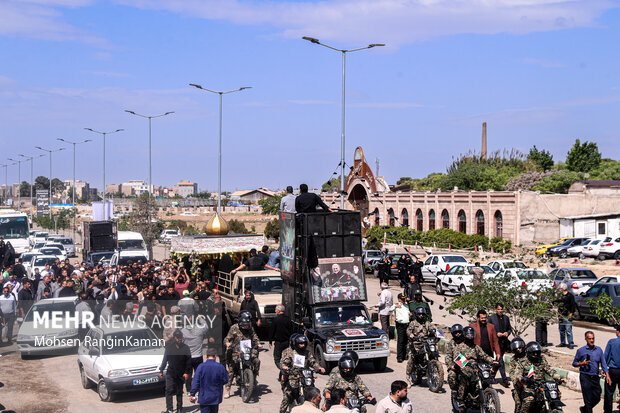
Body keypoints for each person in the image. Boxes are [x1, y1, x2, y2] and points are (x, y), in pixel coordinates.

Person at [454, 326, 496, 413]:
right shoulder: (459, 346)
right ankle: (461, 400)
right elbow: (457, 357)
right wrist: (465, 363)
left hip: (476, 367)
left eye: (471, 334)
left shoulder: (476, 347)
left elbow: (484, 355)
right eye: (468, 335)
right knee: (464, 378)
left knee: (485, 377)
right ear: (465, 335)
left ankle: (482, 395)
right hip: (464, 367)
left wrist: (492, 361)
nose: (470, 336)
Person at [280, 335, 325, 413]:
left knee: (314, 393)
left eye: (304, 343)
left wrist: (319, 368)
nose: (302, 345)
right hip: (293, 377)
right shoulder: (291, 353)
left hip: (305, 376)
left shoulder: (307, 353)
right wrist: (285, 367)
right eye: (300, 344)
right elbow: (284, 363)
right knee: (287, 395)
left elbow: (313, 362)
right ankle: (282, 411)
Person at [517, 341, 564, 413]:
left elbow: (549, 369)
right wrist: (522, 379)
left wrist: (558, 378)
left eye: (537, 352)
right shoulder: (522, 361)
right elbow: (518, 374)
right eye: (534, 353)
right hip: (528, 386)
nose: (536, 355)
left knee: (555, 395)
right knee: (529, 400)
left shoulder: (542, 359)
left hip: (542, 384)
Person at [224, 310, 261, 398]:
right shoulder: (234, 327)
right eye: (244, 325)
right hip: (236, 350)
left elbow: (255, 337)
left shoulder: (250, 328)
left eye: (247, 325)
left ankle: (254, 378)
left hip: (248, 350)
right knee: (231, 369)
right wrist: (228, 343)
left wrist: (258, 343)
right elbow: (227, 338)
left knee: (256, 361)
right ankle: (227, 388)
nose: (246, 326)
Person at [573, 331, 607, 413]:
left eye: (593, 338)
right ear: (586, 339)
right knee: (587, 399)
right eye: (589, 339)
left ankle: (584, 409)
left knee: (597, 397)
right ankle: (587, 409)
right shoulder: (581, 350)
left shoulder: (599, 350)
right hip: (585, 377)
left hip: (595, 377)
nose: (592, 340)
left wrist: (606, 372)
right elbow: (574, 363)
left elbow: (603, 362)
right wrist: (582, 363)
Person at [159, 329, 192, 413]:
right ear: (174, 338)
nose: (179, 339)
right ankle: (169, 409)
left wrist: (187, 372)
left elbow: (188, 362)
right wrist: (161, 370)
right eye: (177, 337)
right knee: (169, 390)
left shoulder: (185, 348)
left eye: (180, 337)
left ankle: (179, 408)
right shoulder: (169, 347)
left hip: (181, 373)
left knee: (179, 391)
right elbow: (165, 359)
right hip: (171, 372)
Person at [189, 347, 229, 413]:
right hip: (215, 397)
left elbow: (195, 382)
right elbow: (226, 380)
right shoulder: (220, 367)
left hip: (204, 397)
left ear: (206, 356)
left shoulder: (201, 367)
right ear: (215, 356)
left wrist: (192, 394)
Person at [469, 310, 501, 383]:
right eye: (482, 318)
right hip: (476, 353)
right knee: (476, 371)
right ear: (478, 318)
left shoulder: (491, 327)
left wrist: (498, 352)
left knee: (488, 370)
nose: (484, 319)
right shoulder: (472, 326)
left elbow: (495, 341)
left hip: (488, 352)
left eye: (485, 318)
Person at [406, 306, 435, 385]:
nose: (421, 316)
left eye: (422, 314)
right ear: (416, 314)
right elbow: (408, 330)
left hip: (426, 343)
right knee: (411, 359)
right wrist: (411, 335)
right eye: (419, 314)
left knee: (433, 353)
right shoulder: (413, 323)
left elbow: (432, 328)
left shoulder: (427, 323)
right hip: (415, 344)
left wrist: (433, 331)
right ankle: (408, 377)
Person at [181, 318, 210, 395]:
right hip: (198, 355)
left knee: (188, 373)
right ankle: (199, 388)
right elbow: (206, 327)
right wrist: (201, 319)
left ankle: (188, 390)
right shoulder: (199, 330)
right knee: (198, 373)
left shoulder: (183, 331)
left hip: (188, 356)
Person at [488, 303, 512, 387]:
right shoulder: (491, 319)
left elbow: (509, 329)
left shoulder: (506, 318)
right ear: (495, 309)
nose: (500, 311)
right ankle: (504, 380)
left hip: (504, 342)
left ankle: (491, 376)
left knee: (497, 361)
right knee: (500, 360)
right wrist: (496, 334)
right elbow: (489, 330)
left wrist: (507, 333)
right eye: (498, 309)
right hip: (495, 343)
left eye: (501, 309)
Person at [269, 304, 293, 368]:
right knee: (286, 358)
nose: (275, 310)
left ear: (279, 311)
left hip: (279, 343)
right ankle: (284, 371)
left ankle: (282, 369)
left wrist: (270, 341)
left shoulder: (275, 320)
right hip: (287, 342)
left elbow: (272, 331)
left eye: (276, 309)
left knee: (277, 359)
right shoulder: (288, 319)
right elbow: (291, 330)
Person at [508, 337, 527, 413]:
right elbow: (512, 373)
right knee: (518, 404)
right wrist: (518, 381)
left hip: (532, 381)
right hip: (519, 384)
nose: (519, 349)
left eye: (520, 347)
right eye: (517, 348)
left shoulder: (529, 356)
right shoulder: (513, 360)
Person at [604, 324, 620, 413]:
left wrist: (604, 368)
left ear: (618, 331)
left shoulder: (612, 342)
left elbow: (606, 356)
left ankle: (608, 410)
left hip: (613, 371)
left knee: (609, 391)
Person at [445, 324, 465, 395]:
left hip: (469, 363)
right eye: (456, 333)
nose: (458, 334)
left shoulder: (467, 341)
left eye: (459, 332)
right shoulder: (450, 343)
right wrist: (451, 366)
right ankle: (455, 391)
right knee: (451, 375)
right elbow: (448, 356)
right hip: (456, 365)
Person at [555, 282, 576, 349]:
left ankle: (571, 343)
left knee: (568, 330)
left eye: (560, 288)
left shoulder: (570, 296)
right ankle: (562, 342)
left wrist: (571, 313)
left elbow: (573, 305)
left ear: (563, 289)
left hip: (567, 315)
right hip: (561, 315)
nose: (559, 289)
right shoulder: (560, 296)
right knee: (561, 329)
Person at [391, 293, 410, 363]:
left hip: (406, 324)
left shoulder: (406, 306)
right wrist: (395, 307)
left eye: (404, 298)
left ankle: (404, 355)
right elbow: (390, 309)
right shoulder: (396, 305)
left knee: (406, 341)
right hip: (400, 325)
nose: (403, 300)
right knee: (401, 341)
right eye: (402, 299)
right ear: (399, 299)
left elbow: (408, 313)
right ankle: (399, 357)